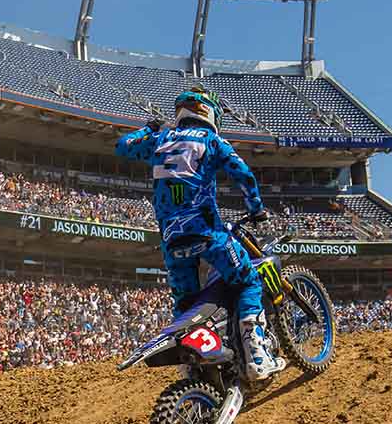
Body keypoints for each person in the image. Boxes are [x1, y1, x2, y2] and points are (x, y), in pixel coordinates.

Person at [115, 87, 285, 381]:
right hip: (208, 234)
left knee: (185, 303)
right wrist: (256, 208)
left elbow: (123, 145)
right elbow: (243, 174)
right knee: (248, 280)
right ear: (209, 112)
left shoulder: (159, 140)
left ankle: (191, 368)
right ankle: (256, 354)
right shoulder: (212, 140)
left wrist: (148, 128)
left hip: (172, 242)